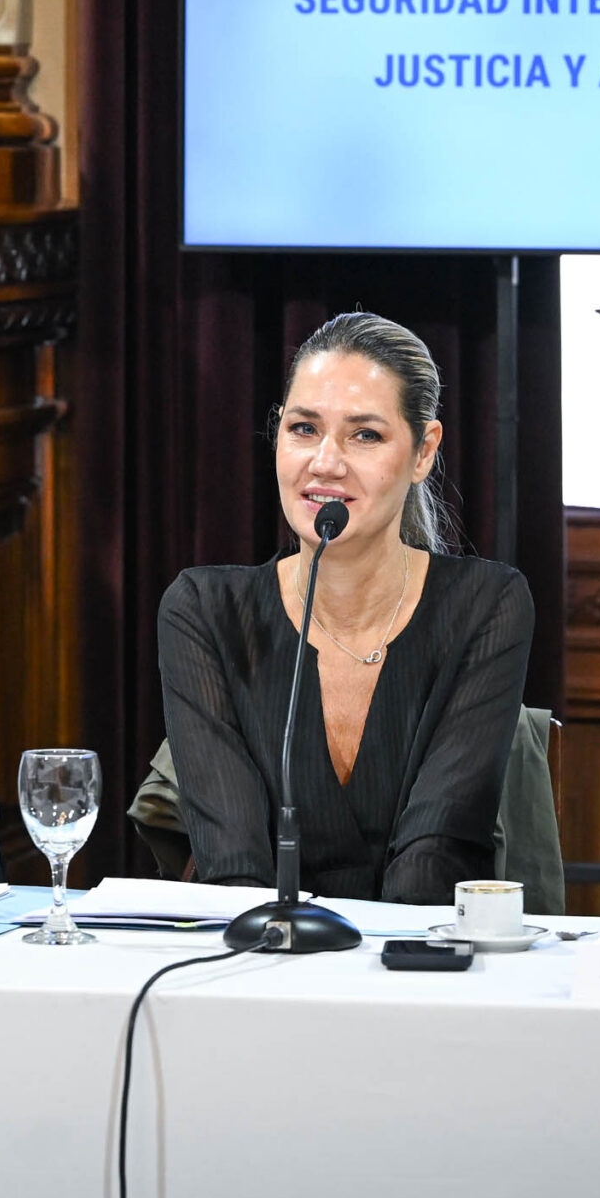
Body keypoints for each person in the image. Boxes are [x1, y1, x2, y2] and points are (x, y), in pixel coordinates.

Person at [158, 312, 534, 906]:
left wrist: (370, 962)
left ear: (423, 451)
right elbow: (232, 865)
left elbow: (436, 851)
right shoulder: (205, 611)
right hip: (262, 951)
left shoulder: (486, 605)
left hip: (414, 950)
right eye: (304, 429)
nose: (326, 463)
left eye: (365, 436)